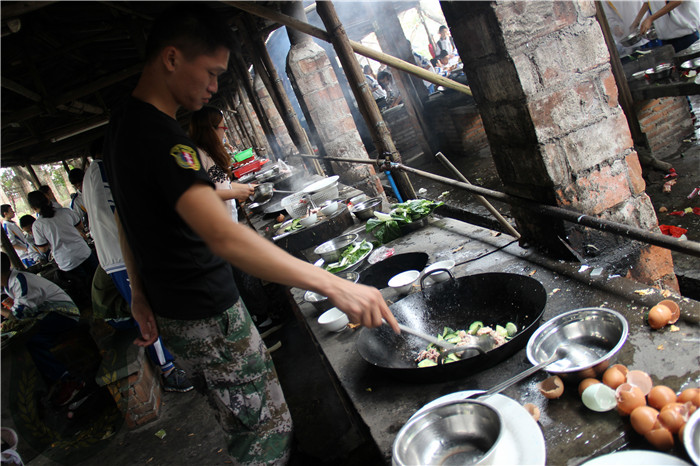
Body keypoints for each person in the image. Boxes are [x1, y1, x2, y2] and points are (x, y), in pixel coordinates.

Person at [102, 4, 399, 464]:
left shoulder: (121, 123)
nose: (215, 86)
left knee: (239, 420)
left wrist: (138, 293)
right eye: (212, 72)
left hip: (176, 313)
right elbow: (223, 237)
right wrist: (335, 283)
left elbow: (127, 217)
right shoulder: (165, 141)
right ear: (172, 58)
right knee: (264, 436)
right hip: (209, 315)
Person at [82, 137, 193, 392]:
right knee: (147, 313)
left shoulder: (91, 174)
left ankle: (171, 359)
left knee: (150, 308)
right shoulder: (102, 170)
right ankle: (169, 372)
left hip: (117, 254)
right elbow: (121, 211)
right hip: (121, 255)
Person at [1, 252, 86, 406]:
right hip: (49, 315)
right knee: (26, 339)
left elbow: (20, 314)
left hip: (63, 314)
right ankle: (54, 381)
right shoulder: (10, 284)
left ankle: (68, 380)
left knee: (30, 341)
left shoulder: (20, 281)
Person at [26, 191, 97, 305]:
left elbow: (43, 249)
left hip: (67, 261)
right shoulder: (65, 212)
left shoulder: (38, 225)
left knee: (86, 288)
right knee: (98, 279)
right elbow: (80, 226)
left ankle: (98, 310)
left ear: (33, 208)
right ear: (48, 200)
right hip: (83, 252)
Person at [630, 0, 700, 52]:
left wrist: (651, 18)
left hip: (686, 35)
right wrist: (637, 21)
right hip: (666, 39)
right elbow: (648, 2)